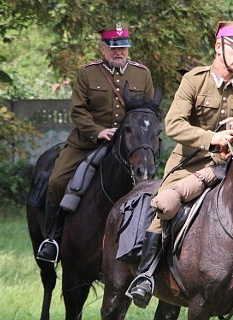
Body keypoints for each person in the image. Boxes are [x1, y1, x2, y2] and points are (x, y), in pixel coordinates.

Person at [127, 21, 233, 314]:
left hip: (232, 168)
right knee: (165, 206)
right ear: (219, 47)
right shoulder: (194, 80)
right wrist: (211, 137)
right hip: (190, 166)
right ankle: (146, 274)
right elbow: (173, 124)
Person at [35, 22, 155, 263]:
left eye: (123, 47)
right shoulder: (87, 73)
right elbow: (78, 111)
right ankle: (53, 237)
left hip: (129, 148)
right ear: (103, 48)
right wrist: (98, 131)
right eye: (113, 48)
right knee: (57, 180)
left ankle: (146, 242)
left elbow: (148, 113)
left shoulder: (142, 74)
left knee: (150, 186)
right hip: (87, 143)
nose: (118, 52)